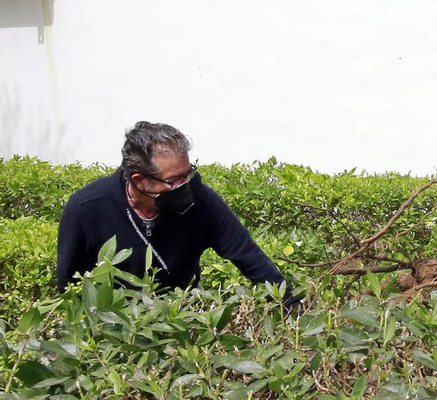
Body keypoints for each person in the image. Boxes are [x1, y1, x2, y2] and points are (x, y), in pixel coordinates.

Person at [55, 121, 298, 306]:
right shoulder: (86, 209)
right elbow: (70, 285)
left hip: (179, 314)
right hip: (114, 327)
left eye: (187, 174)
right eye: (174, 180)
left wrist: (291, 308)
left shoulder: (201, 201)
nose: (185, 185)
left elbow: (248, 255)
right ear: (140, 181)